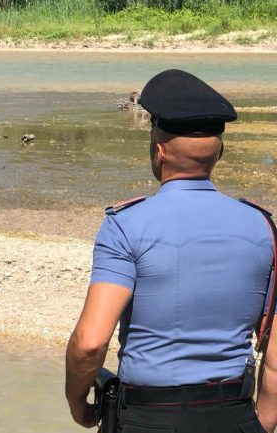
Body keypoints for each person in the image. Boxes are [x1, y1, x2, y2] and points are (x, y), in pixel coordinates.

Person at [65, 69, 277, 433]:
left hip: (147, 417)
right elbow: (273, 353)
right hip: (234, 413)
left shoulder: (125, 225)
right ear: (220, 152)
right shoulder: (263, 228)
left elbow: (90, 343)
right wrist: (262, 422)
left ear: (158, 152)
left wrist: (76, 400)